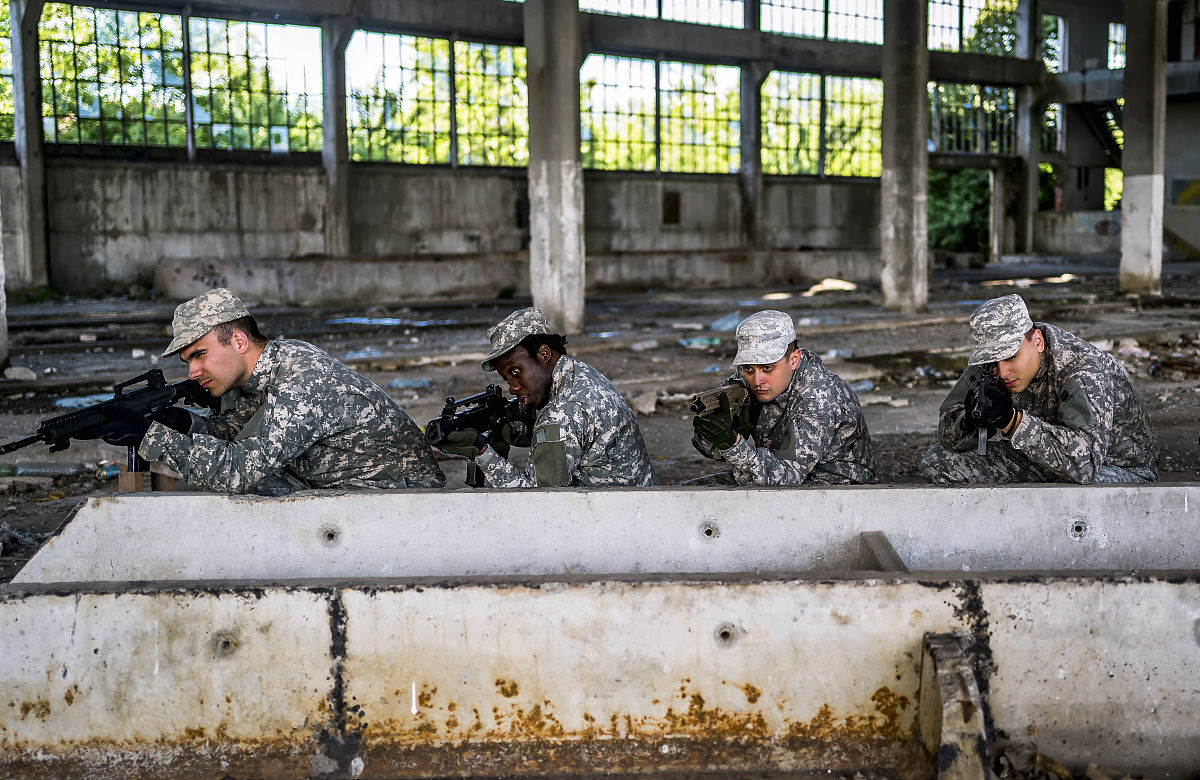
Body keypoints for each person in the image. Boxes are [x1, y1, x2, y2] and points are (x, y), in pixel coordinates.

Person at [137, 288, 445, 494]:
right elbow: (241, 435)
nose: (192, 372)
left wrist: (149, 436)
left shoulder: (302, 381)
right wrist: (185, 424)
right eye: (187, 361)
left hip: (401, 496)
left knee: (243, 494)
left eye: (200, 354)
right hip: (338, 483)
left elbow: (236, 471)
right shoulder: (264, 370)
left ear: (240, 342)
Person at [920, 294, 1158, 484]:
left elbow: (1085, 464)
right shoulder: (991, 367)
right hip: (1043, 459)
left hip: (1113, 469)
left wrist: (1013, 422)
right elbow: (947, 433)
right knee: (938, 462)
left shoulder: (1082, 369)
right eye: (992, 362)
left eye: (1011, 357)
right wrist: (969, 420)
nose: (1003, 372)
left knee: (1063, 489)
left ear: (1037, 341)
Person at [433, 307, 656, 487]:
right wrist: (515, 431)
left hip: (612, 527)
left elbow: (537, 504)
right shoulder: (581, 374)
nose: (512, 388)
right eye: (506, 378)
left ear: (544, 353)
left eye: (515, 371)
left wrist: (481, 452)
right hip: (640, 504)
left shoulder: (561, 412)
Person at [691, 309, 875, 485]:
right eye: (749, 368)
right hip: (773, 471)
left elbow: (787, 477)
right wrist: (716, 430)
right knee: (690, 496)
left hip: (835, 486)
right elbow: (712, 450)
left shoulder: (819, 396)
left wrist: (733, 443)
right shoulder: (744, 383)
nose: (757, 380)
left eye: (767, 368)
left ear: (793, 360)